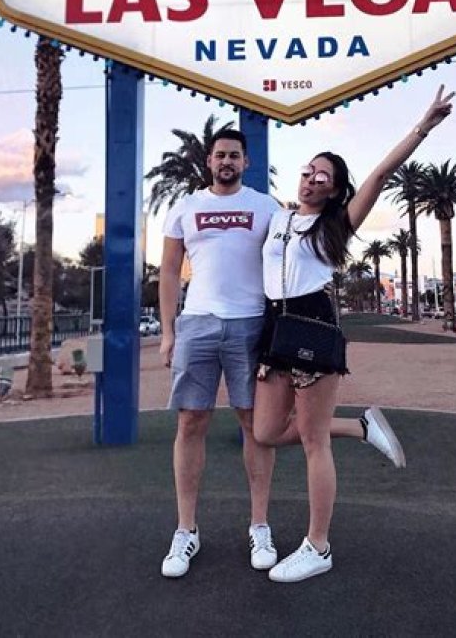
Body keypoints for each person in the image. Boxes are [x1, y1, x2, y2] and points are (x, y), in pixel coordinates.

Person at [254, 85, 455, 583]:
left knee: (313, 441)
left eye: (322, 176)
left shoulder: (336, 225)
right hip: (274, 328)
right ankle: (362, 428)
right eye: (308, 170)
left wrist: (423, 127)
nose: (311, 178)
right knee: (266, 433)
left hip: (313, 325)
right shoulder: (277, 217)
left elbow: (381, 175)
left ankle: (317, 546)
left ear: (335, 190)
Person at [158, 128, 281, 578]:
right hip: (197, 323)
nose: (226, 161)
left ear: (246, 162)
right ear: (208, 161)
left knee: (254, 424)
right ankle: (186, 530)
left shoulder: (267, 207)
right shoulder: (185, 208)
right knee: (191, 422)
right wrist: (168, 332)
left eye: (234, 155)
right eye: (219, 155)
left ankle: (260, 526)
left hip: (251, 324)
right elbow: (169, 271)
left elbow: (284, 264)